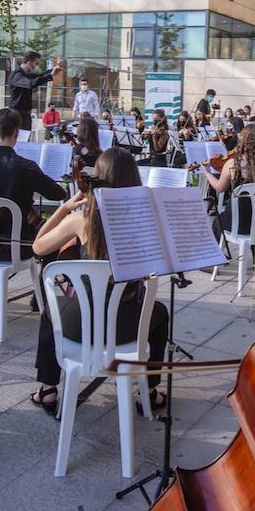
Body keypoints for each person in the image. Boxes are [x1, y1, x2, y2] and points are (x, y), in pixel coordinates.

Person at [29, 147, 170, 415]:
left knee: (50, 311)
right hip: (127, 328)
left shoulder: (80, 220)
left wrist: (64, 208)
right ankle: (149, 393)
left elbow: (38, 246)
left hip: (79, 326)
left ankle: (47, 389)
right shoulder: (146, 221)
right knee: (160, 313)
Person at [0, 107, 64, 265]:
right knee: (56, 240)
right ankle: (45, 280)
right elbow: (58, 194)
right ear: (16, 133)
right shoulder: (27, 167)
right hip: (19, 247)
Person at [202, 123, 255, 238]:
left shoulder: (232, 164)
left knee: (217, 222)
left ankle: (218, 249)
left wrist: (207, 172)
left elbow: (219, 188)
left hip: (237, 222)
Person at [7, 51, 53, 132]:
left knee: (26, 137)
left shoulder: (26, 75)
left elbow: (40, 76)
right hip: (16, 114)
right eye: (36, 63)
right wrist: (50, 74)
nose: (37, 66)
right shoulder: (16, 75)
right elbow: (31, 83)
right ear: (29, 63)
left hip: (25, 114)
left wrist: (52, 72)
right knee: (18, 138)